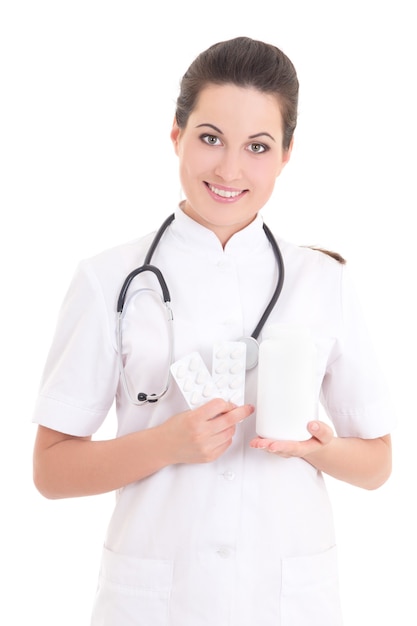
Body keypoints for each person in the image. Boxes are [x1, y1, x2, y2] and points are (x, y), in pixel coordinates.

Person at [32, 36, 395, 625]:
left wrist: (318, 449)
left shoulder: (323, 280)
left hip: (287, 598)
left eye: (257, 146)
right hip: (154, 601)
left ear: (286, 154)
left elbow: (378, 464)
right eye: (209, 138)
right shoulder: (108, 280)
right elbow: (51, 470)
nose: (230, 169)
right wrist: (165, 444)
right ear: (175, 135)